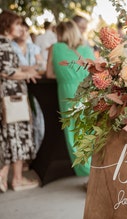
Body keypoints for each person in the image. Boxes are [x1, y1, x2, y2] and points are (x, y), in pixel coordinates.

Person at [46, 20, 95, 176]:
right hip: (86, 92)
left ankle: (86, 171)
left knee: (74, 132)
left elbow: (49, 74)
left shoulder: (55, 48)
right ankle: (94, 171)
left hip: (68, 92)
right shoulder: (87, 49)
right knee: (88, 130)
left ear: (61, 33)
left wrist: (64, 76)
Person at [0, 10, 41, 192]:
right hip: (12, 97)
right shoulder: (4, 44)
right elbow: (5, 71)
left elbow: (10, 67)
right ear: (7, 25)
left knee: (12, 136)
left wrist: (27, 68)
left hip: (10, 96)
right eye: (17, 24)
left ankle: (10, 177)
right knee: (18, 135)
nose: (20, 28)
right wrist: (27, 74)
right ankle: (17, 180)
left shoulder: (6, 44)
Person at [11, 19, 45, 157]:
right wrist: (28, 71)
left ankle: (32, 156)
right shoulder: (10, 47)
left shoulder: (33, 48)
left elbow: (41, 64)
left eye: (26, 30)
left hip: (34, 89)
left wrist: (30, 70)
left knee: (37, 123)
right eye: (21, 29)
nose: (24, 32)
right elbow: (9, 68)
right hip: (16, 89)